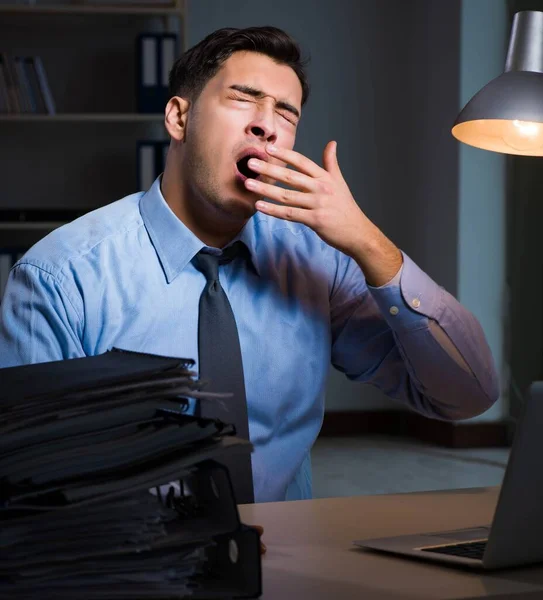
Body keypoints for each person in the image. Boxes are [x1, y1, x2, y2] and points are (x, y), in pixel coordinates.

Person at [0, 26, 498, 505]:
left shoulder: (315, 262)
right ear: (178, 118)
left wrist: (369, 243)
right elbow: (29, 487)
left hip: (291, 567)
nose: (268, 123)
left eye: (287, 112)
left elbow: (467, 396)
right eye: (243, 98)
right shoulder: (60, 277)